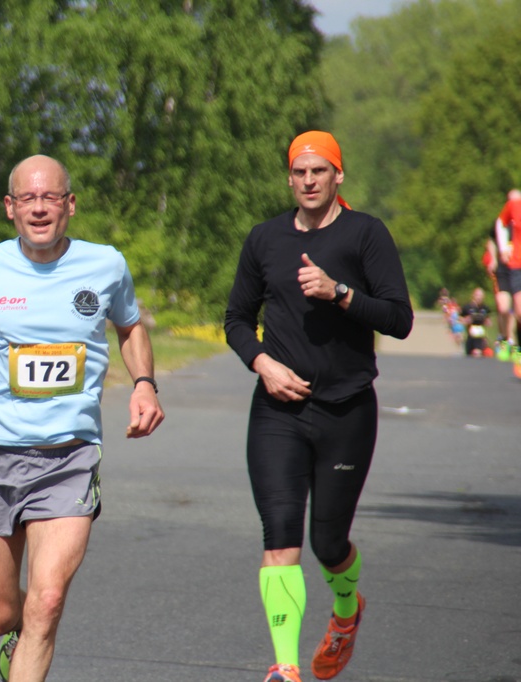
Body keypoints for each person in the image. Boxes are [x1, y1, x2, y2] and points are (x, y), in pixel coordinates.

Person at [0, 154, 165, 682]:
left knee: (48, 599)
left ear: (70, 205)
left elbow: (130, 327)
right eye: (28, 199)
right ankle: (14, 637)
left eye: (50, 197)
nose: (39, 208)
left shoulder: (106, 265)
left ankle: (30, 644)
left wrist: (144, 384)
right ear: (10, 207)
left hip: (69, 457)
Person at [224, 131, 413, 682]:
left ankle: (347, 610)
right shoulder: (265, 239)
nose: (308, 180)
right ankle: (285, 667)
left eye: (319, 171)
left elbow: (399, 319)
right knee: (280, 534)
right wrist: (262, 363)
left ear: (338, 175)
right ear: (290, 178)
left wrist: (341, 293)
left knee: (327, 543)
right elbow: (236, 319)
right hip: (278, 411)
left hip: (346, 410)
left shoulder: (365, 234)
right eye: (300, 172)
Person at [495, 189, 521, 369]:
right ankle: (507, 340)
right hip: (513, 265)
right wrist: (503, 248)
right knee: (511, 309)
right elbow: (499, 224)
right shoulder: (513, 206)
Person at [484, 221, 515, 360]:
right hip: (503, 270)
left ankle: (512, 342)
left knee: (516, 310)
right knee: (503, 308)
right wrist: (493, 260)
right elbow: (491, 240)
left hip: (518, 269)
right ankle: (504, 338)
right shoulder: (502, 221)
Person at [459, 287, 491, 357]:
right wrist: (465, 320)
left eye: (481, 296)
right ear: (473, 295)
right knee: (469, 355)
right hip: (470, 335)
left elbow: (488, 320)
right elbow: (460, 318)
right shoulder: (467, 307)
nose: (479, 298)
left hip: (481, 335)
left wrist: (487, 322)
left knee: (477, 353)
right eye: (477, 295)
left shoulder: (485, 308)